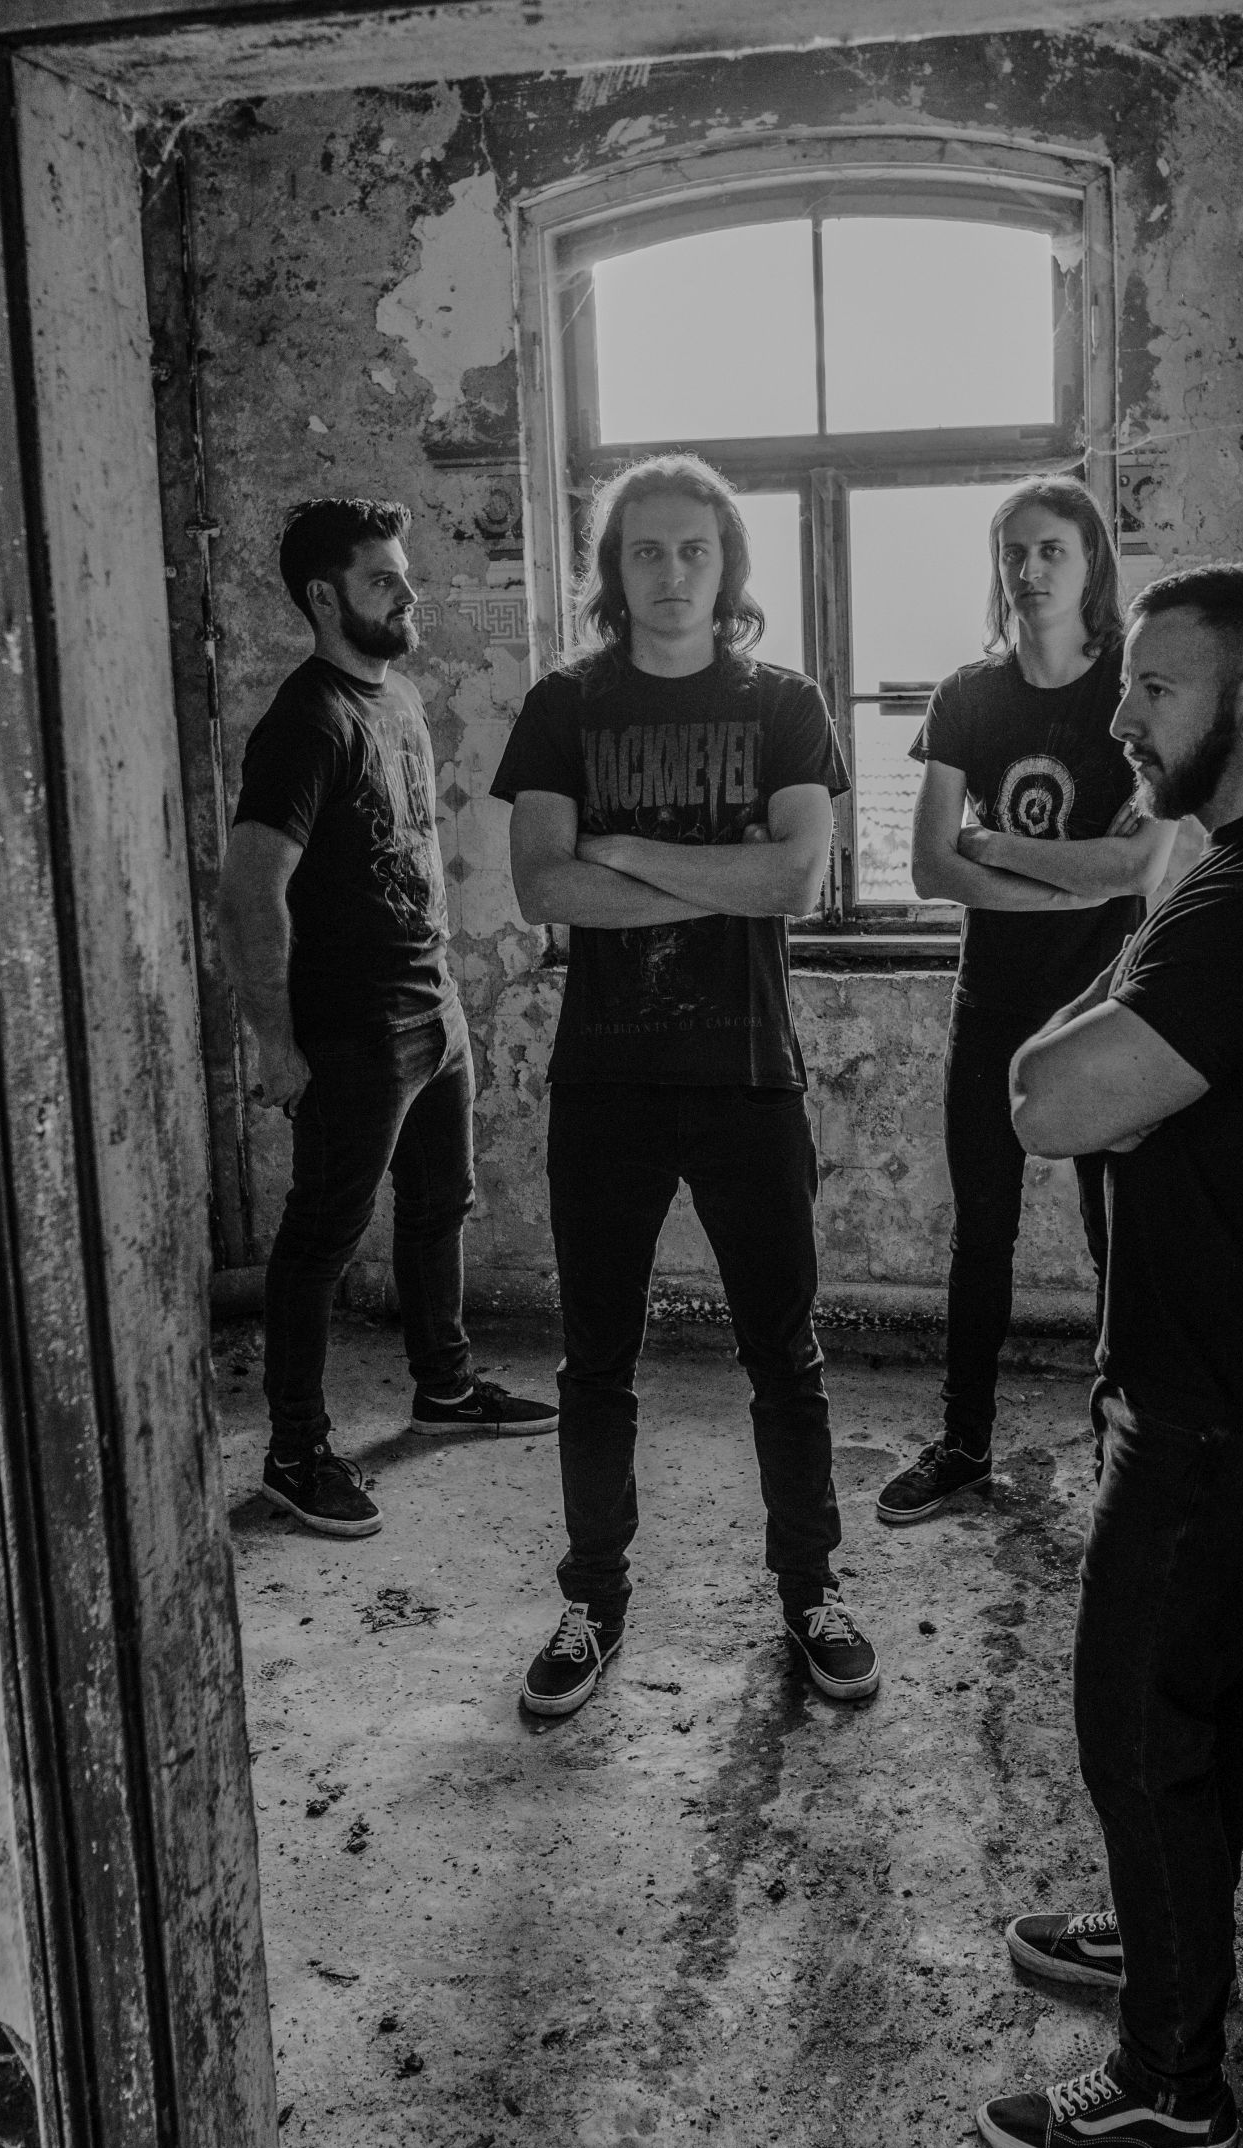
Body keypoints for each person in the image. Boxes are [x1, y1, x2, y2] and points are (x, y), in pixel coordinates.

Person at [975, 560, 1243, 2148]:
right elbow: (1106, 1064)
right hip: (1218, 1384)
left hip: (1216, 1410)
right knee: (1197, 1702)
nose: (1120, 715)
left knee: (1137, 1723)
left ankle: (1167, 2087)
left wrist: (1065, 1042)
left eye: (1155, 687)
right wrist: (1114, 999)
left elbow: (1053, 1102)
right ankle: (1163, 1933)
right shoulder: (1235, 873)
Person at [489, 453, 879, 1720]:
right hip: (605, 1080)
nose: (670, 573)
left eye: (692, 551)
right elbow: (542, 888)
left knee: (784, 1354)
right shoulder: (562, 705)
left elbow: (794, 883)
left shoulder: (784, 704)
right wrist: (717, 868)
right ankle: (591, 1602)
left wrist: (621, 848)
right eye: (645, 550)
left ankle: (810, 1590)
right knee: (595, 1361)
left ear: (726, 566)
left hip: (746, 1074)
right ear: (614, 569)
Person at [217, 498, 554, 1542]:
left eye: (402, 576)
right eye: (382, 580)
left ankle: (443, 1388)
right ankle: (293, 1453)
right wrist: (278, 1045)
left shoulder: (395, 694)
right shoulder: (304, 721)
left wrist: (442, 991)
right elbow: (248, 893)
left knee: (438, 1204)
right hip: (354, 1030)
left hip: (430, 1007)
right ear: (324, 598)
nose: (408, 593)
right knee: (320, 1238)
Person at [878, 477, 1170, 1528]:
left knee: (1114, 1237)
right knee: (981, 1236)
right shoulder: (969, 694)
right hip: (992, 1003)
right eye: (1013, 552)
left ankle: (1123, 1446)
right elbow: (929, 866)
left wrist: (994, 845)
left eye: (1051, 550)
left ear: (1090, 563)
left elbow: (1135, 865)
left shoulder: (1131, 693)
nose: (1029, 569)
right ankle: (962, 1443)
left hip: (1105, 1005)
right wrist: (1067, 879)